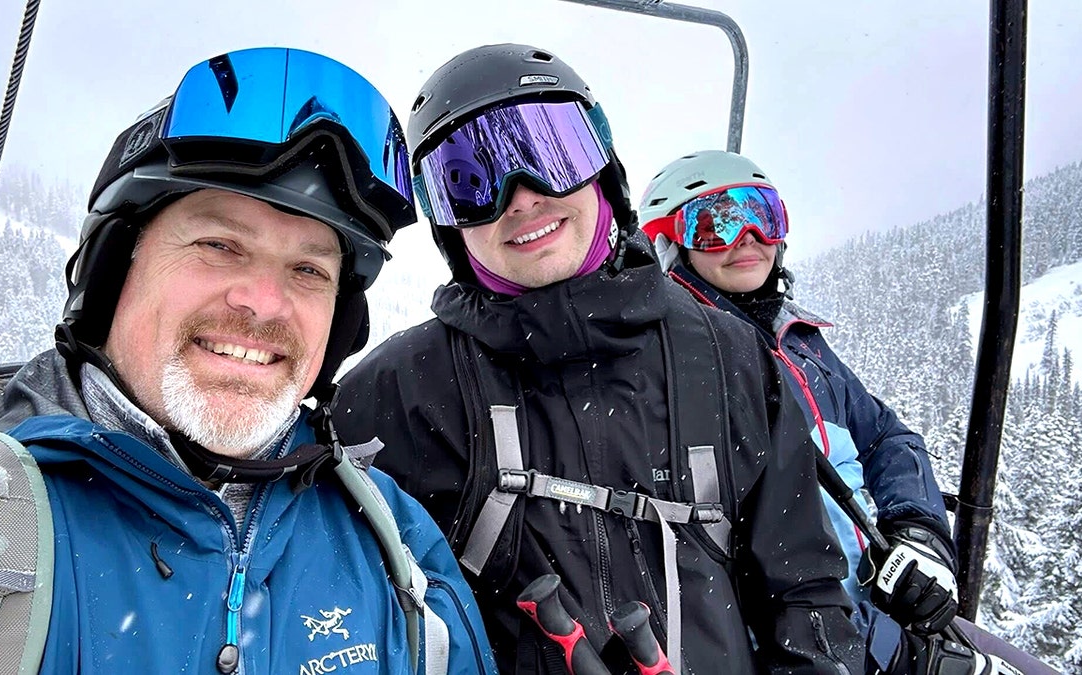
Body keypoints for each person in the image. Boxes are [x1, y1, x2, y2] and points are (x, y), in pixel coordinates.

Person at [0, 47, 495, 674]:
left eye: (308, 269)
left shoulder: (394, 543)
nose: (264, 303)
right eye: (219, 244)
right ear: (111, 274)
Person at [333, 43, 864, 674]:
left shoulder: (727, 357)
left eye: (551, 154)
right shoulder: (395, 394)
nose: (521, 198)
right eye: (469, 182)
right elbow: (345, 620)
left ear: (603, 168)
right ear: (449, 225)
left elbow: (804, 592)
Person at [637, 150, 990, 674]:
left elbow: (886, 437)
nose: (748, 238)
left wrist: (918, 532)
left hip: (874, 614)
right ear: (669, 244)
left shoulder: (800, 343)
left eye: (764, 216)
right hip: (803, 644)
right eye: (716, 226)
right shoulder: (675, 365)